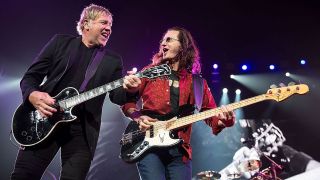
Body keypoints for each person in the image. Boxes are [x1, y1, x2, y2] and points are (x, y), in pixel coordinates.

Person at [11, 4, 139, 180]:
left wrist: (131, 89)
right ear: (86, 23)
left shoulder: (112, 60)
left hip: (82, 132)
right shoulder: (60, 43)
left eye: (111, 25)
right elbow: (30, 77)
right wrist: (32, 95)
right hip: (44, 118)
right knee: (24, 175)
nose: (108, 28)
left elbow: (118, 97)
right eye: (104, 23)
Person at [121, 27, 236, 180]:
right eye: (162, 40)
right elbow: (128, 103)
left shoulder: (197, 83)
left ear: (182, 46)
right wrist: (137, 117)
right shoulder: (150, 71)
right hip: (149, 146)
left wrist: (224, 120)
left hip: (180, 152)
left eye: (169, 40)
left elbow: (212, 115)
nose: (163, 43)